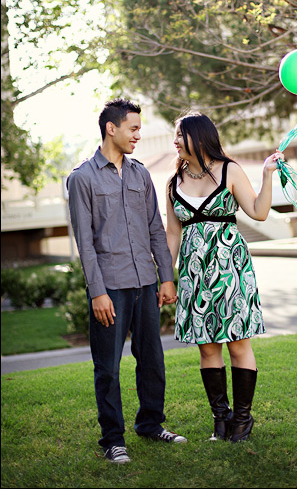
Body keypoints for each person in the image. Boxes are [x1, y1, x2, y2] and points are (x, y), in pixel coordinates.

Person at [68, 98, 186, 465]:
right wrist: (97, 291)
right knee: (108, 366)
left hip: (145, 284)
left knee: (152, 358)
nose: (139, 135)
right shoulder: (82, 178)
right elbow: (84, 242)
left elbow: (155, 228)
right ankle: (112, 439)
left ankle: (151, 424)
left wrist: (166, 277)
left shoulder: (140, 175)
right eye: (133, 128)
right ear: (111, 128)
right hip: (111, 286)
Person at [165, 112, 283, 442]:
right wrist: (167, 277)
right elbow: (172, 234)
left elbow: (258, 211)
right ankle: (221, 419)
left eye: (179, 134)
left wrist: (267, 175)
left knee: (238, 343)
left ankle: (242, 421)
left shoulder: (230, 170)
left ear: (198, 137)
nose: (174, 141)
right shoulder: (173, 183)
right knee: (207, 349)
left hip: (230, 269)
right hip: (194, 273)